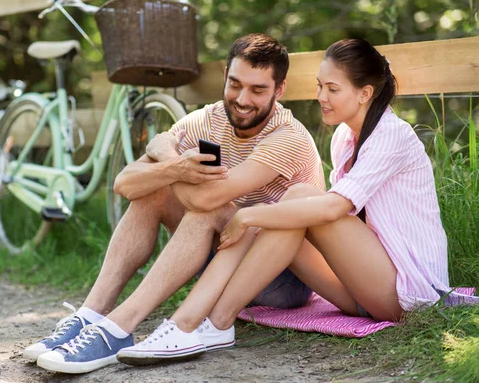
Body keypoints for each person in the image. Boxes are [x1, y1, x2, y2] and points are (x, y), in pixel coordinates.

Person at [116, 38, 479, 366]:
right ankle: (202, 324)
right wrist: (256, 215)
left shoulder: (392, 135)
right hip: (360, 287)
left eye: (332, 88)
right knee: (288, 209)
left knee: (297, 200)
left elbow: (334, 209)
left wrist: (249, 215)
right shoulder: (344, 138)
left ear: (365, 93)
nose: (320, 96)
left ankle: (203, 322)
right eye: (320, 85)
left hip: (407, 292)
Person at [23, 33, 325, 374]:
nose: (242, 99)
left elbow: (208, 199)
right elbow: (125, 183)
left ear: (279, 90)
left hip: (281, 277)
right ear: (225, 75)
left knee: (203, 203)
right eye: (235, 84)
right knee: (152, 191)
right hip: (224, 255)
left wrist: (166, 159)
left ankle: (121, 325)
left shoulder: (288, 137)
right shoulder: (209, 119)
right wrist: (173, 164)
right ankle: (92, 313)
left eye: (257, 90)